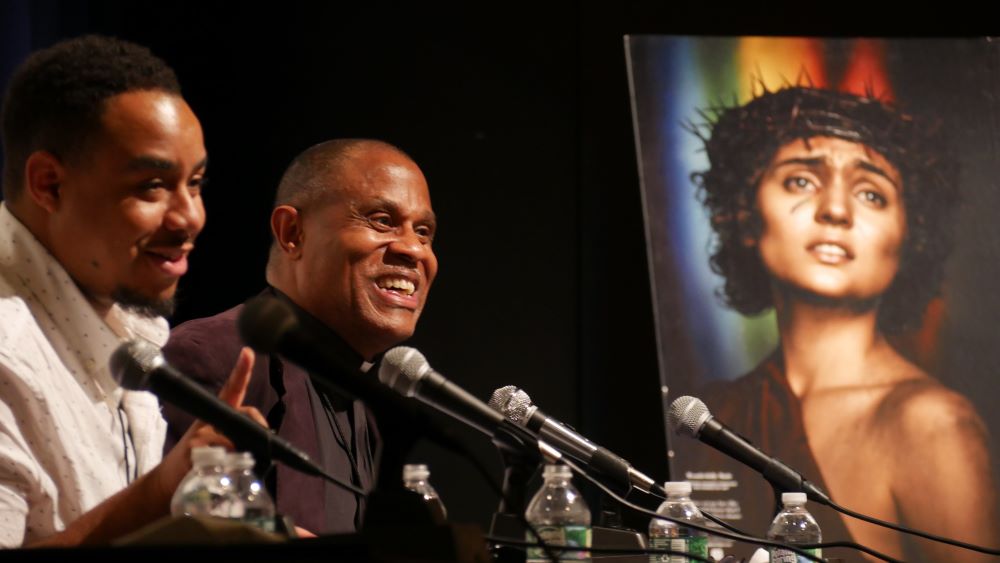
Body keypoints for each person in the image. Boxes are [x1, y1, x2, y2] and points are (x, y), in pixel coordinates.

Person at [676, 86, 999, 561]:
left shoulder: (930, 424)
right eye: (801, 181)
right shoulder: (713, 414)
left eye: (871, 193)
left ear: (909, 239)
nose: (835, 211)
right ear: (746, 215)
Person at [0, 34, 260, 548]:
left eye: (197, 183)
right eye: (152, 187)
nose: (190, 217)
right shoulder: (8, 352)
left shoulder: (129, 326)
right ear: (49, 185)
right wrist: (158, 491)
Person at [161, 138, 438, 534]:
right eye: (381, 220)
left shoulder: (364, 407)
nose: (414, 249)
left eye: (424, 232)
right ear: (292, 232)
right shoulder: (210, 357)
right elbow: (175, 538)